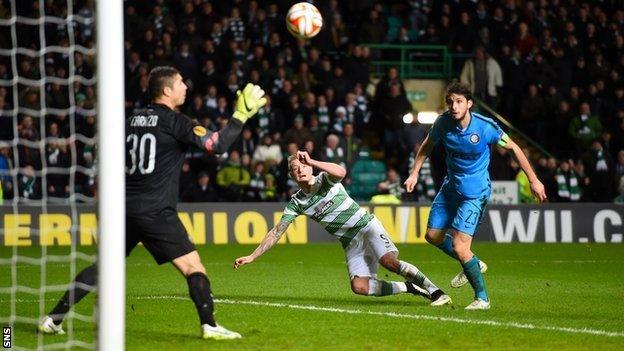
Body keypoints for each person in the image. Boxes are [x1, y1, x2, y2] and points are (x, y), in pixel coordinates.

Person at [38, 66, 267, 340]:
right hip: (156, 210)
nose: (185, 87)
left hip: (124, 209)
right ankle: (210, 325)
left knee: (103, 267)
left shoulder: (129, 120)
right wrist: (240, 116)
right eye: (181, 82)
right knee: (193, 267)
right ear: (167, 90)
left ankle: (53, 318)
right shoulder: (176, 122)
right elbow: (216, 145)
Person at [234, 151, 452, 306]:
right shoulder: (297, 202)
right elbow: (276, 231)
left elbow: (341, 171)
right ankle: (409, 288)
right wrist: (253, 256)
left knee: (389, 262)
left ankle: (436, 292)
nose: (301, 170)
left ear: (311, 167)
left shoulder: (324, 180)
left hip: (366, 227)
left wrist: (313, 160)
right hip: (350, 242)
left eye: (303, 166)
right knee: (359, 287)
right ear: (292, 176)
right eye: (295, 169)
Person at [404, 82, 546, 310]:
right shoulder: (442, 123)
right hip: (450, 188)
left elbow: (514, 148)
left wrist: (533, 179)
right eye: (450, 101)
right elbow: (426, 146)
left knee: (460, 247)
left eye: (459, 101)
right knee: (432, 236)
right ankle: (474, 262)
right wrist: (414, 173)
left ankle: (482, 298)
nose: (453, 106)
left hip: (475, 193)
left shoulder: (485, 127)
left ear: (469, 104)